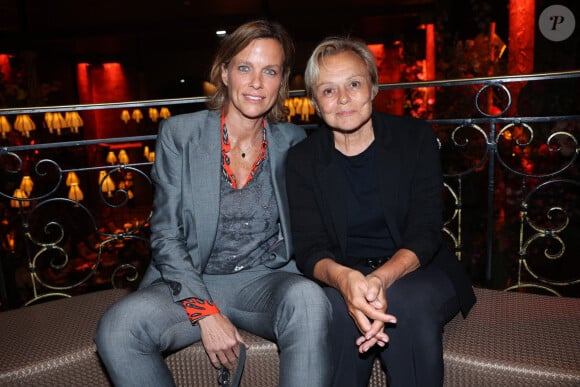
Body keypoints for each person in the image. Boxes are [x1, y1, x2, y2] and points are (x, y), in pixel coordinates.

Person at [95, 20, 332, 387]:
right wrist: (204, 312)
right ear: (224, 73)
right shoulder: (181, 134)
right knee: (118, 328)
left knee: (308, 300)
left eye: (269, 71)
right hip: (193, 278)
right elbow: (166, 236)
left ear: (281, 81)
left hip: (264, 281)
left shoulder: (293, 140)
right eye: (244, 68)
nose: (256, 83)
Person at [285, 36, 476, 387]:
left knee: (404, 307)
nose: (342, 99)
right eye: (327, 90)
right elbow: (310, 248)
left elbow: (426, 230)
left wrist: (379, 280)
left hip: (419, 268)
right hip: (345, 272)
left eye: (353, 84)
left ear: (373, 86)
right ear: (314, 101)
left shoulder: (414, 138)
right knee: (337, 314)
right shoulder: (302, 161)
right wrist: (347, 282)